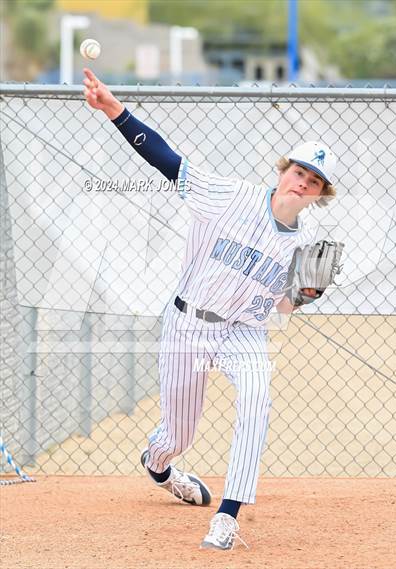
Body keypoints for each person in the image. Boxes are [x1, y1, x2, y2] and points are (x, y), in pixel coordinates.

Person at [82, 68, 338, 550]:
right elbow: (167, 161)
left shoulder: (305, 246)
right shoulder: (231, 195)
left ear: (321, 195)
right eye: (299, 171)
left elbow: (282, 305)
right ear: (283, 171)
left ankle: (228, 515)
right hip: (186, 322)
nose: (302, 183)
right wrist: (115, 110)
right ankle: (159, 466)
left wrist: (306, 297)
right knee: (177, 434)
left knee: (257, 400)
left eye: (314, 180)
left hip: (241, 332)